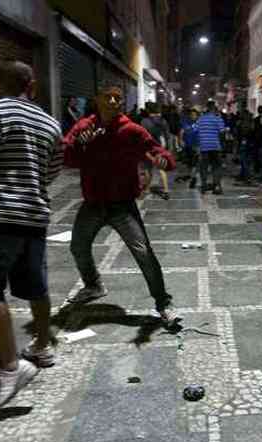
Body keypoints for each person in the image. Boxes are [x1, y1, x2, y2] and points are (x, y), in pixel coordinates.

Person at [0, 61, 64, 409]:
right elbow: (53, 169)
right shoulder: (50, 122)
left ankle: (12, 366)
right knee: (34, 284)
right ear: (32, 85)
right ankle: (42, 346)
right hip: (34, 216)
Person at [60, 85, 181, 329]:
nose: (114, 101)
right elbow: (66, 158)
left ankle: (164, 304)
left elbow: (160, 153)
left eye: (118, 98)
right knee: (78, 247)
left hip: (122, 206)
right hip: (93, 203)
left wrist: (164, 161)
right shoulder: (84, 127)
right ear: (97, 99)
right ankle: (93, 285)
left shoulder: (132, 131)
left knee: (143, 253)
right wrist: (79, 146)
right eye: (108, 97)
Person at [141, 102, 172, 200]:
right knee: (161, 168)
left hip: (148, 147)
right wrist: (168, 148)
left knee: (147, 169)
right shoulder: (163, 121)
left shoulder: (144, 121)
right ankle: (166, 191)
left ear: (148, 110)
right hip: (159, 146)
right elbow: (167, 135)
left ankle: (146, 190)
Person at [196, 101, 226, 195]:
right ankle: (216, 186)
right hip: (215, 147)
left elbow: (195, 130)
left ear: (207, 108)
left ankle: (204, 186)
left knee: (203, 167)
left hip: (204, 147)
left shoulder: (200, 119)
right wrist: (221, 145)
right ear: (214, 108)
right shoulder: (218, 119)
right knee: (216, 167)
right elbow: (222, 133)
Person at [179, 108, 200, 189]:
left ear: (197, 116)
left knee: (195, 162)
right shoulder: (185, 122)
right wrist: (180, 140)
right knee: (189, 163)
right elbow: (181, 131)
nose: (193, 116)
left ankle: (193, 178)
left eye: (194, 115)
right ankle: (191, 175)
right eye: (191, 115)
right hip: (187, 145)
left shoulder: (200, 123)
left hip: (196, 145)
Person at [236, 109, 256, 184]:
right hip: (250, 142)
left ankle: (247, 176)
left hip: (245, 142)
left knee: (244, 159)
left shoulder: (243, 122)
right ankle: (245, 175)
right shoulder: (251, 122)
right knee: (247, 160)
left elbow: (241, 132)